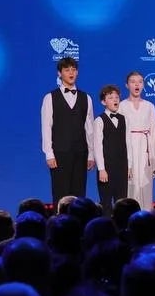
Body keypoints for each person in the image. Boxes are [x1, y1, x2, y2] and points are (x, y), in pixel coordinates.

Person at [41, 55, 95, 202]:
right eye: (67, 70)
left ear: (77, 72)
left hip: (81, 153)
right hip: (59, 153)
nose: (71, 73)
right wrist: (49, 153)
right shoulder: (50, 98)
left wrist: (91, 154)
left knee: (79, 195)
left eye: (73, 69)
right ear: (59, 73)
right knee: (60, 194)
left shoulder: (86, 98)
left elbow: (89, 128)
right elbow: (46, 127)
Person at [120, 71, 155, 210]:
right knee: (130, 185)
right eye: (133, 82)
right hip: (128, 149)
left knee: (145, 186)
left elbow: (154, 133)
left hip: (145, 151)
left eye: (140, 82)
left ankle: (146, 216)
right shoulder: (121, 106)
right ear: (127, 85)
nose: (137, 85)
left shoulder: (149, 106)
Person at [93, 84, 130, 212]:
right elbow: (97, 146)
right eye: (110, 98)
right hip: (107, 168)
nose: (115, 100)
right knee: (106, 203)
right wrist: (101, 169)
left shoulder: (124, 119)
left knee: (122, 203)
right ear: (103, 102)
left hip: (122, 167)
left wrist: (129, 166)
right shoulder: (99, 120)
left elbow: (128, 143)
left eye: (117, 97)